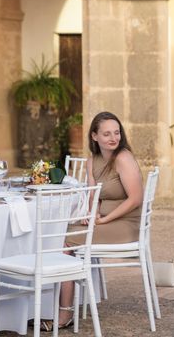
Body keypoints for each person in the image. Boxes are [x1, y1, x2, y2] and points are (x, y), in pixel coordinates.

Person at [43, 111, 143, 331]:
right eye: (107, 133)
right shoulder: (92, 161)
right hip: (106, 221)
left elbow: (136, 199)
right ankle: (54, 304)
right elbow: (93, 195)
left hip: (126, 224)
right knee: (61, 231)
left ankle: (64, 313)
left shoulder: (123, 158)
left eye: (116, 132)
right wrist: (92, 214)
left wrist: (105, 220)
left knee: (65, 241)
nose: (113, 138)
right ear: (95, 136)